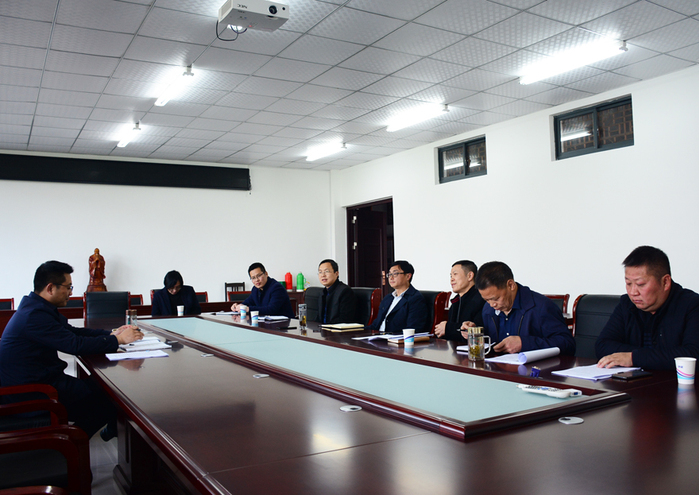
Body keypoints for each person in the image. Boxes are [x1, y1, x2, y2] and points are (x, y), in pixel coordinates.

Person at [0, 261, 143, 439]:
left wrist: (111, 334)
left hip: (41, 383)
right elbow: (75, 345)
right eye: (68, 287)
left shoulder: (37, 308)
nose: (71, 292)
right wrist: (118, 340)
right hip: (33, 395)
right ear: (50, 288)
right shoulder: (34, 316)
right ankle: (71, 443)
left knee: (106, 388)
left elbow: (73, 332)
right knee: (110, 398)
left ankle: (109, 430)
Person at [596, 246, 699, 370]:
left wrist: (634, 358)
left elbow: (693, 355)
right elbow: (602, 345)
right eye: (628, 283)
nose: (633, 292)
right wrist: (652, 357)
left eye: (640, 284)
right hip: (634, 380)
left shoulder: (692, 305)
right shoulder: (627, 304)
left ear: (665, 282)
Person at [461, 261, 575, 355]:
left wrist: (524, 344)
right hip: (498, 370)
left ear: (511, 285)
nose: (492, 304)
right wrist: (476, 333)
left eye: (496, 298)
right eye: (487, 300)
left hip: (534, 372)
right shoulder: (488, 310)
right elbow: (493, 342)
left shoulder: (542, 307)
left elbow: (567, 344)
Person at [368, 260, 428, 334]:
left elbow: (413, 329)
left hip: (394, 339)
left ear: (408, 276)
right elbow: (376, 325)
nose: (391, 278)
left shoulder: (415, 299)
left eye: (395, 274)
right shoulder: (388, 298)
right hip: (378, 336)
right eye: (389, 274)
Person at [434, 260, 485, 341]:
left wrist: (447, 328)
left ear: (470, 276)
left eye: (455, 274)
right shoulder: (456, 301)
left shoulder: (481, 299)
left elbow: (479, 331)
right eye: (451, 276)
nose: (451, 279)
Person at [316, 259, 356, 324]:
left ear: (336, 273)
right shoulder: (323, 292)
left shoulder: (345, 292)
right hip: (323, 329)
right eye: (320, 272)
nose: (323, 275)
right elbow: (319, 318)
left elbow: (345, 319)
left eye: (326, 271)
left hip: (337, 329)